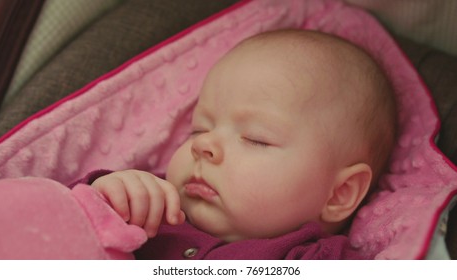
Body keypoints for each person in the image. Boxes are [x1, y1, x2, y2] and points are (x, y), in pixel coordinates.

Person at [83, 29, 397, 259]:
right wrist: (106, 195)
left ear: (339, 193)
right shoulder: (152, 205)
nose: (203, 145)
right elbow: (55, 226)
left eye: (255, 139)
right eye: (198, 129)